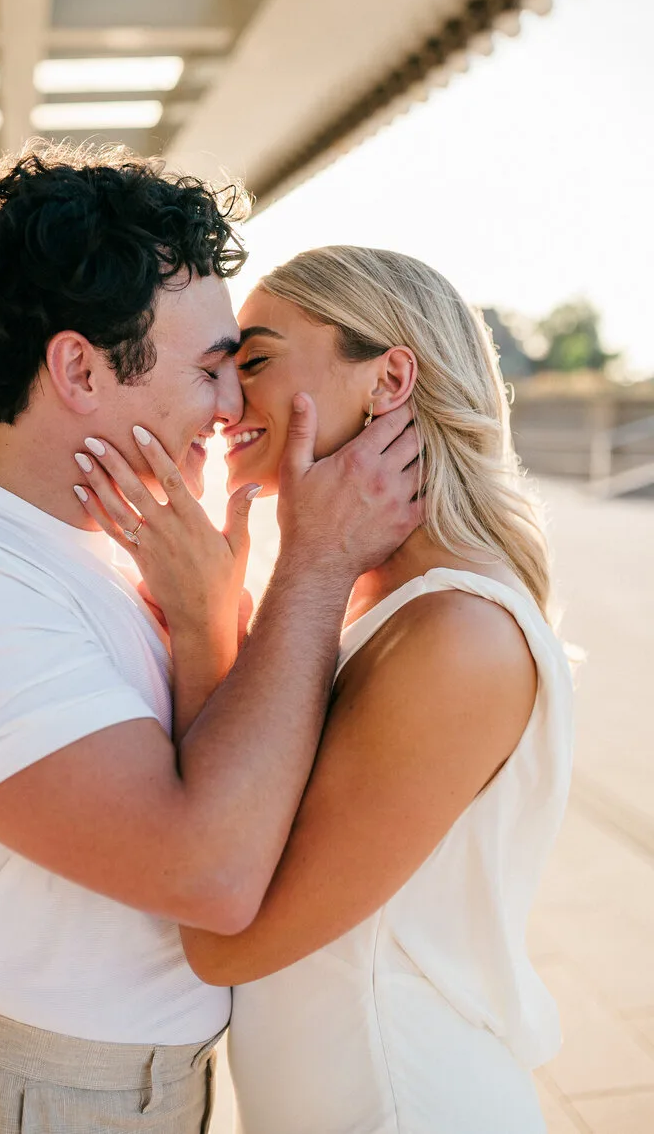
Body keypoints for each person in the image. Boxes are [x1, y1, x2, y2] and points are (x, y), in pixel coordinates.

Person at [0, 151, 422, 1134]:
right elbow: (207, 875)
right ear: (77, 366)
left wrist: (209, 621)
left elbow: (224, 784)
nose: (231, 407)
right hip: (27, 1101)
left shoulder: (116, 546)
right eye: (209, 368)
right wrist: (313, 571)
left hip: (135, 1092)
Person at [81, 245, 574, 1134]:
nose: (227, 400)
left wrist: (205, 634)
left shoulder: (457, 636)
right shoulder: (378, 603)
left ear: (389, 379)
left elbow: (226, 933)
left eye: (256, 361)